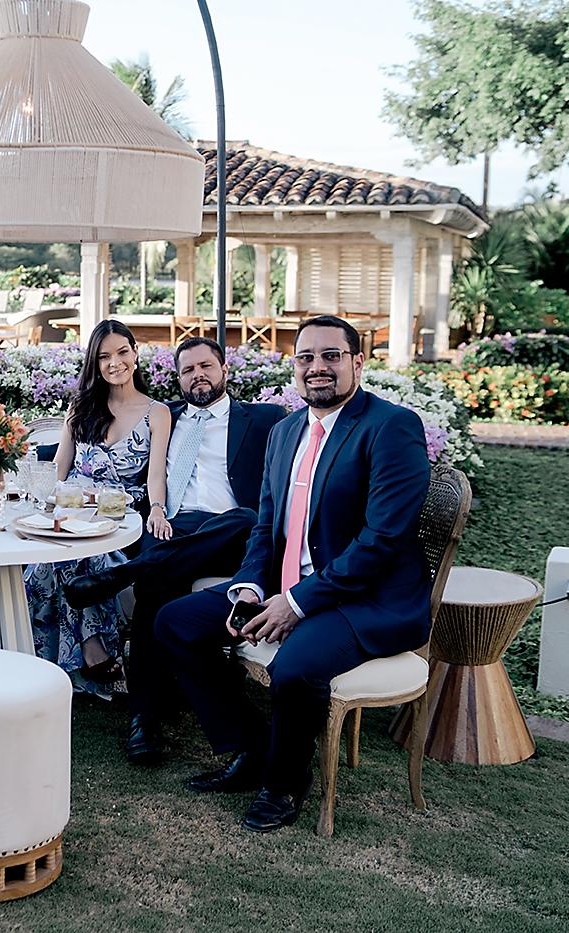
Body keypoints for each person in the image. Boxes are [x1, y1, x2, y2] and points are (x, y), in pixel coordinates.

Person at [155, 315, 431, 832]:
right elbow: (266, 525)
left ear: (357, 362)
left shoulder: (391, 426)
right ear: (295, 366)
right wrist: (251, 587)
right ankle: (249, 750)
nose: (317, 367)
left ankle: (285, 783)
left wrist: (297, 602)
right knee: (177, 623)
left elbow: (382, 541)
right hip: (285, 586)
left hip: (364, 599)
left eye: (331, 356)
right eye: (306, 358)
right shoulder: (285, 432)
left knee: (296, 668)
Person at [63, 336, 285, 763]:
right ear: (178, 378)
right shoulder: (164, 416)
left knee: (244, 516)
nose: (197, 375)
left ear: (224, 370)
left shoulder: (264, 419)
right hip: (172, 530)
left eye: (206, 366)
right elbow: (100, 448)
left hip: (234, 534)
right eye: (187, 370)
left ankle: (125, 573)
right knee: (156, 592)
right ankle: (143, 720)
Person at [25, 319, 171, 698]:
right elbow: (59, 467)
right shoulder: (82, 407)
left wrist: (157, 508)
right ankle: (73, 657)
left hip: (117, 518)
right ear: (95, 363)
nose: (115, 363)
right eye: (104, 356)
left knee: (86, 555)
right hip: (71, 507)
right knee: (45, 565)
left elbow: (156, 476)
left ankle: (84, 652)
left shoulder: (157, 413)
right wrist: (40, 500)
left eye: (122, 352)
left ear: (135, 353)